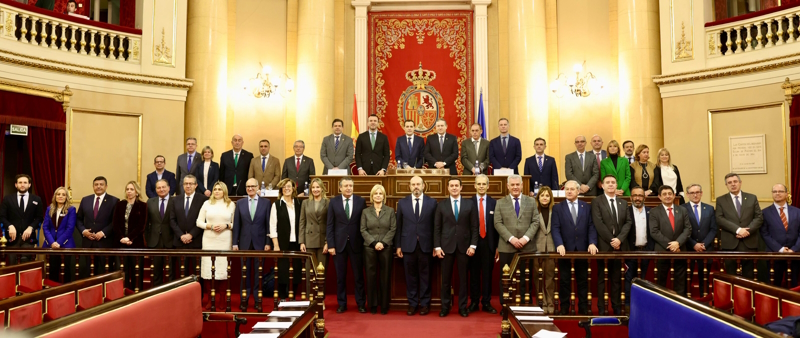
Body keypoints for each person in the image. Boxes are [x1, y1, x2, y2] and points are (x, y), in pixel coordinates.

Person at [551, 180, 598, 315]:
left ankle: (583, 308)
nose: (569, 191)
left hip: (582, 249)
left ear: (578, 191)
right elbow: (555, 228)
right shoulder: (557, 208)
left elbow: (591, 226)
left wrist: (592, 242)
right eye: (567, 189)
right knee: (564, 280)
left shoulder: (586, 207)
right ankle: (564, 307)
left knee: (583, 280)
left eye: (572, 189)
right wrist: (559, 244)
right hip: (564, 249)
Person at [434, 177, 478, 317]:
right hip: (446, 247)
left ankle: (462, 307)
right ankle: (445, 307)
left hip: (464, 247)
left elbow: (474, 227)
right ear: (448, 188)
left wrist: (473, 245)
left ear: (461, 188)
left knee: (463, 279)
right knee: (445, 280)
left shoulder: (469, 204)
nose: (454, 188)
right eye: (451, 186)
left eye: (456, 185)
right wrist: (437, 246)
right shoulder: (441, 205)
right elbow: (437, 228)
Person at [495, 174, 539, 307]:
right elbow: (497, 223)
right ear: (508, 186)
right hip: (507, 247)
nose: (515, 187)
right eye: (512, 185)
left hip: (527, 247)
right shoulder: (500, 202)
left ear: (522, 185)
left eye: (517, 184)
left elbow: (535, 221)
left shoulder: (531, 201)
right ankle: (506, 306)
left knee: (526, 278)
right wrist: (512, 239)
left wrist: (525, 239)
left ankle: (526, 304)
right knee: (506, 279)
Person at [591, 175, 632, 315]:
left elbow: (628, 223)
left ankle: (615, 306)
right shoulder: (597, 201)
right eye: (607, 182)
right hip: (604, 246)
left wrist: (619, 239)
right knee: (603, 278)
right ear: (602, 185)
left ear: (616, 185)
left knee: (616, 279)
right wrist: (612, 240)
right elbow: (598, 223)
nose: (610, 185)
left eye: (613, 182)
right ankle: (602, 308)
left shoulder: (623, 203)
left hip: (620, 246)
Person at [395, 176, 436, 316]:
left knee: (425, 276)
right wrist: (398, 246)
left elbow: (435, 227)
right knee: (410, 276)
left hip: (426, 245)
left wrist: (436, 246)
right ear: (409, 186)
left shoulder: (432, 203)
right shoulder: (402, 203)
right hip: (407, 245)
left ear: (424, 185)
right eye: (413, 184)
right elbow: (399, 226)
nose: (416, 186)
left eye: (418, 184)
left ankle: (424, 304)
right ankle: (412, 304)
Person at [327, 177, 367, 313]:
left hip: (357, 244)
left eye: (350, 185)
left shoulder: (361, 201)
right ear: (340, 188)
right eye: (345, 186)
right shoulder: (333, 202)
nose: (348, 188)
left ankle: (361, 303)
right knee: (340, 277)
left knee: (359, 277)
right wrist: (331, 244)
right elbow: (330, 225)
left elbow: (364, 223)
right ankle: (342, 303)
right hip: (339, 245)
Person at [233, 178, 272, 311]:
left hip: (260, 243)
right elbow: (237, 225)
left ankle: (257, 300)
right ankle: (244, 300)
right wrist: (234, 243)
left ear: (257, 187)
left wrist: (268, 242)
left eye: (253, 186)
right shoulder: (240, 203)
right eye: (248, 186)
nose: (250, 189)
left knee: (258, 274)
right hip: (244, 243)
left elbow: (268, 225)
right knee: (245, 274)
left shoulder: (266, 203)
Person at [715, 173, 763, 279]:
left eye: (735, 181)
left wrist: (746, 231)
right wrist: (738, 230)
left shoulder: (752, 197)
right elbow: (719, 219)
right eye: (729, 182)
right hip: (730, 243)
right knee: (731, 276)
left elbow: (759, 217)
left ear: (740, 183)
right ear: (726, 185)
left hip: (749, 243)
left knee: (749, 276)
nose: (733, 184)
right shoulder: (721, 200)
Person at [197, 181, 236, 310]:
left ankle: (222, 299)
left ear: (224, 191)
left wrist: (226, 226)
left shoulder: (231, 205)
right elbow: (199, 222)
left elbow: (235, 223)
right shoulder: (206, 203)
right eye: (215, 189)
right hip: (209, 239)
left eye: (220, 189)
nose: (217, 191)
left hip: (225, 240)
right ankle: (210, 299)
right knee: (208, 270)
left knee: (223, 270)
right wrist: (211, 226)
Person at [360, 184, 396, 315]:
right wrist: (374, 243)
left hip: (386, 247)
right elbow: (363, 229)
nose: (378, 196)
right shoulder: (365, 212)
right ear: (372, 196)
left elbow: (393, 229)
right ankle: (373, 305)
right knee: (371, 277)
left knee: (385, 277)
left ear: (384, 196)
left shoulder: (390, 211)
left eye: (380, 193)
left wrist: (383, 243)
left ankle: (384, 305)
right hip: (369, 248)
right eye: (376, 194)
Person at [650, 185, 692, 296]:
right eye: (664, 194)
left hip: (680, 250)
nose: (667, 196)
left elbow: (688, 228)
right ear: (659, 197)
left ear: (674, 195)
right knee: (660, 281)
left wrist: (678, 243)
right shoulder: (654, 211)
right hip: (662, 251)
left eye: (670, 194)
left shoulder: (682, 210)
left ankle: (680, 305)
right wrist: (671, 245)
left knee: (681, 281)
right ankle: (661, 305)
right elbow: (654, 231)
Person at [76, 176, 119, 277]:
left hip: (105, 243)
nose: (98, 187)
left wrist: (103, 233)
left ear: (106, 186)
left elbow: (115, 221)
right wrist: (83, 231)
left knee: (106, 272)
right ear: (93, 186)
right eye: (96, 185)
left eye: (101, 184)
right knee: (88, 272)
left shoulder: (114, 201)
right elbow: (78, 219)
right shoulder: (85, 200)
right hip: (88, 243)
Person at [269, 178, 303, 302]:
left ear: (293, 188)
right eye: (284, 187)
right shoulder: (277, 204)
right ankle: (282, 296)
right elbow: (273, 226)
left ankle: (292, 296)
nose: (286, 188)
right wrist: (276, 245)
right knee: (283, 271)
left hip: (297, 242)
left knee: (296, 270)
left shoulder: (299, 203)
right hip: (282, 243)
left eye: (289, 186)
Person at [468, 175, 498, 314]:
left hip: (489, 243)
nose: (481, 186)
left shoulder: (494, 203)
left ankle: (486, 302)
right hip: (473, 243)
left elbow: (497, 226)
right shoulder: (468, 203)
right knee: (474, 274)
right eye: (478, 184)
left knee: (487, 274)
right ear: (474, 185)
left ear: (488, 186)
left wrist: (497, 246)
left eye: (483, 184)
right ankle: (474, 302)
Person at [170, 175, 209, 279]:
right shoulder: (175, 199)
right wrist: (181, 236)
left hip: (196, 241)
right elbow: (172, 220)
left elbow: (204, 220)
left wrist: (191, 235)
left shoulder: (203, 199)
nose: (188, 186)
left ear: (196, 185)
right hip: (180, 242)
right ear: (183, 185)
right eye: (186, 184)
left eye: (191, 184)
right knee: (182, 273)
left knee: (198, 272)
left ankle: (198, 294)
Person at [761, 184, 800, 287]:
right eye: (774, 191)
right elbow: (765, 234)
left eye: (780, 191)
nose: (777, 193)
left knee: (794, 285)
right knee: (774, 286)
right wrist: (780, 249)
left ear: (787, 194)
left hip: (794, 256)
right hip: (774, 255)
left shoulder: (797, 212)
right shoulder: (765, 213)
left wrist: (794, 249)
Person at [681, 183, 716, 295]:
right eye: (692, 193)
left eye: (697, 192)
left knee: (704, 278)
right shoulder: (681, 209)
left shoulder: (710, 209)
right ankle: (686, 301)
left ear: (701, 193)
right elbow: (682, 229)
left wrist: (703, 244)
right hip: (688, 248)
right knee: (687, 278)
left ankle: (704, 301)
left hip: (706, 248)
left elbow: (714, 229)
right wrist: (694, 244)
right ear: (687, 195)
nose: (695, 195)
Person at [0, 174, 43, 264]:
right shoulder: (7, 199)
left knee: (26, 267)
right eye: (20, 182)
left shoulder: (36, 199)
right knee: (12, 266)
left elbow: (39, 218)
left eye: (25, 182)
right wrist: (9, 226)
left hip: (28, 239)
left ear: (29, 184)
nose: (22, 185)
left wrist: (31, 227)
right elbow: (2, 217)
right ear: (16, 185)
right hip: (12, 239)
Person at [113, 181, 148, 291]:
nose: (129, 191)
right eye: (127, 189)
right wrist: (122, 238)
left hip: (136, 243)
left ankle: (137, 295)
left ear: (137, 192)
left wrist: (129, 238)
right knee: (123, 272)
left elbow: (141, 226)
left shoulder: (142, 206)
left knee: (136, 272)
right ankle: (123, 293)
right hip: (121, 243)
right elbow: (115, 223)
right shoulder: (120, 204)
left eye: (132, 189)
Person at [624, 186, 653, 309]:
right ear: (631, 197)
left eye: (640, 195)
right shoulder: (626, 211)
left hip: (646, 251)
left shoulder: (651, 212)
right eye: (635, 195)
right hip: (630, 251)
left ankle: (641, 306)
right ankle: (628, 307)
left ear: (644, 197)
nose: (637, 198)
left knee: (643, 280)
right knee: (628, 280)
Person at [146, 179, 178, 287]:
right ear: (155, 190)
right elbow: (147, 223)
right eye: (159, 188)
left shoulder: (176, 201)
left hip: (170, 240)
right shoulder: (150, 202)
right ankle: (156, 295)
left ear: (169, 188)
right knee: (155, 271)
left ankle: (169, 295)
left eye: (164, 187)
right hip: (154, 241)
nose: (161, 189)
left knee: (170, 271)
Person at [42, 187, 76, 282]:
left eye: (63, 194)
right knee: (52, 269)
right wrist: (52, 242)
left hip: (65, 244)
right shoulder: (49, 208)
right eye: (58, 194)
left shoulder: (71, 210)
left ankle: (66, 292)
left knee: (65, 269)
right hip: (51, 245)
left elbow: (70, 228)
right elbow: (45, 227)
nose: (60, 196)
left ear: (66, 197)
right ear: (55, 196)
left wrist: (59, 243)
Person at [533, 186, 556, 314]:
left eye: (547, 195)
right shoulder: (534, 210)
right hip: (537, 248)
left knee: (549, 277)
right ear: (538, 197)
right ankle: (541, 303)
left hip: (551, 248)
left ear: (550, 197)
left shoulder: (555, 210)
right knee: (538, 278)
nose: (545, 198)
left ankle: (550, 303)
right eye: (542, 195)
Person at [299, 178, 330, 272]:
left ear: (322, 189)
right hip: (309, 241)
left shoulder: (328, 202)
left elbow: (330, 224)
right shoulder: (305, 202)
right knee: (309, 272)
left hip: (322, 241)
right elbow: (302, 222)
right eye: (313, 187)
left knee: (321, 272)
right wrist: (302, 242)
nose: (315, 189)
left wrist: (327, 242)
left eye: (318, 187)